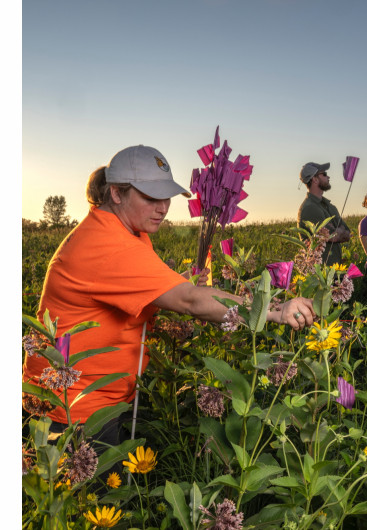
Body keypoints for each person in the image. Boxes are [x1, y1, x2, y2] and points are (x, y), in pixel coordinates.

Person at [22, 145, 316, 448]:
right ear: (116, 193)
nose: (162, 207)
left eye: (166, 197)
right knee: (95, 494)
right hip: (74, 408)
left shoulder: (126, 231)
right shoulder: (108, 246)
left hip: (100, 396)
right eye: (150, 197)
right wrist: (273, 310)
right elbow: (191, 301)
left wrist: (182, 283)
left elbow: (144, 284)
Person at [297, 162, 351, 266]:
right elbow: (331, 236)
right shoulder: (309, 208)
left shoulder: (331, 207)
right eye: (324, 174)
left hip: (336, 270)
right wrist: (337, 232)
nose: (328, 176)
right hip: (321, 274)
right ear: (315, 179)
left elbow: (347, 234)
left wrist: (337, 233)